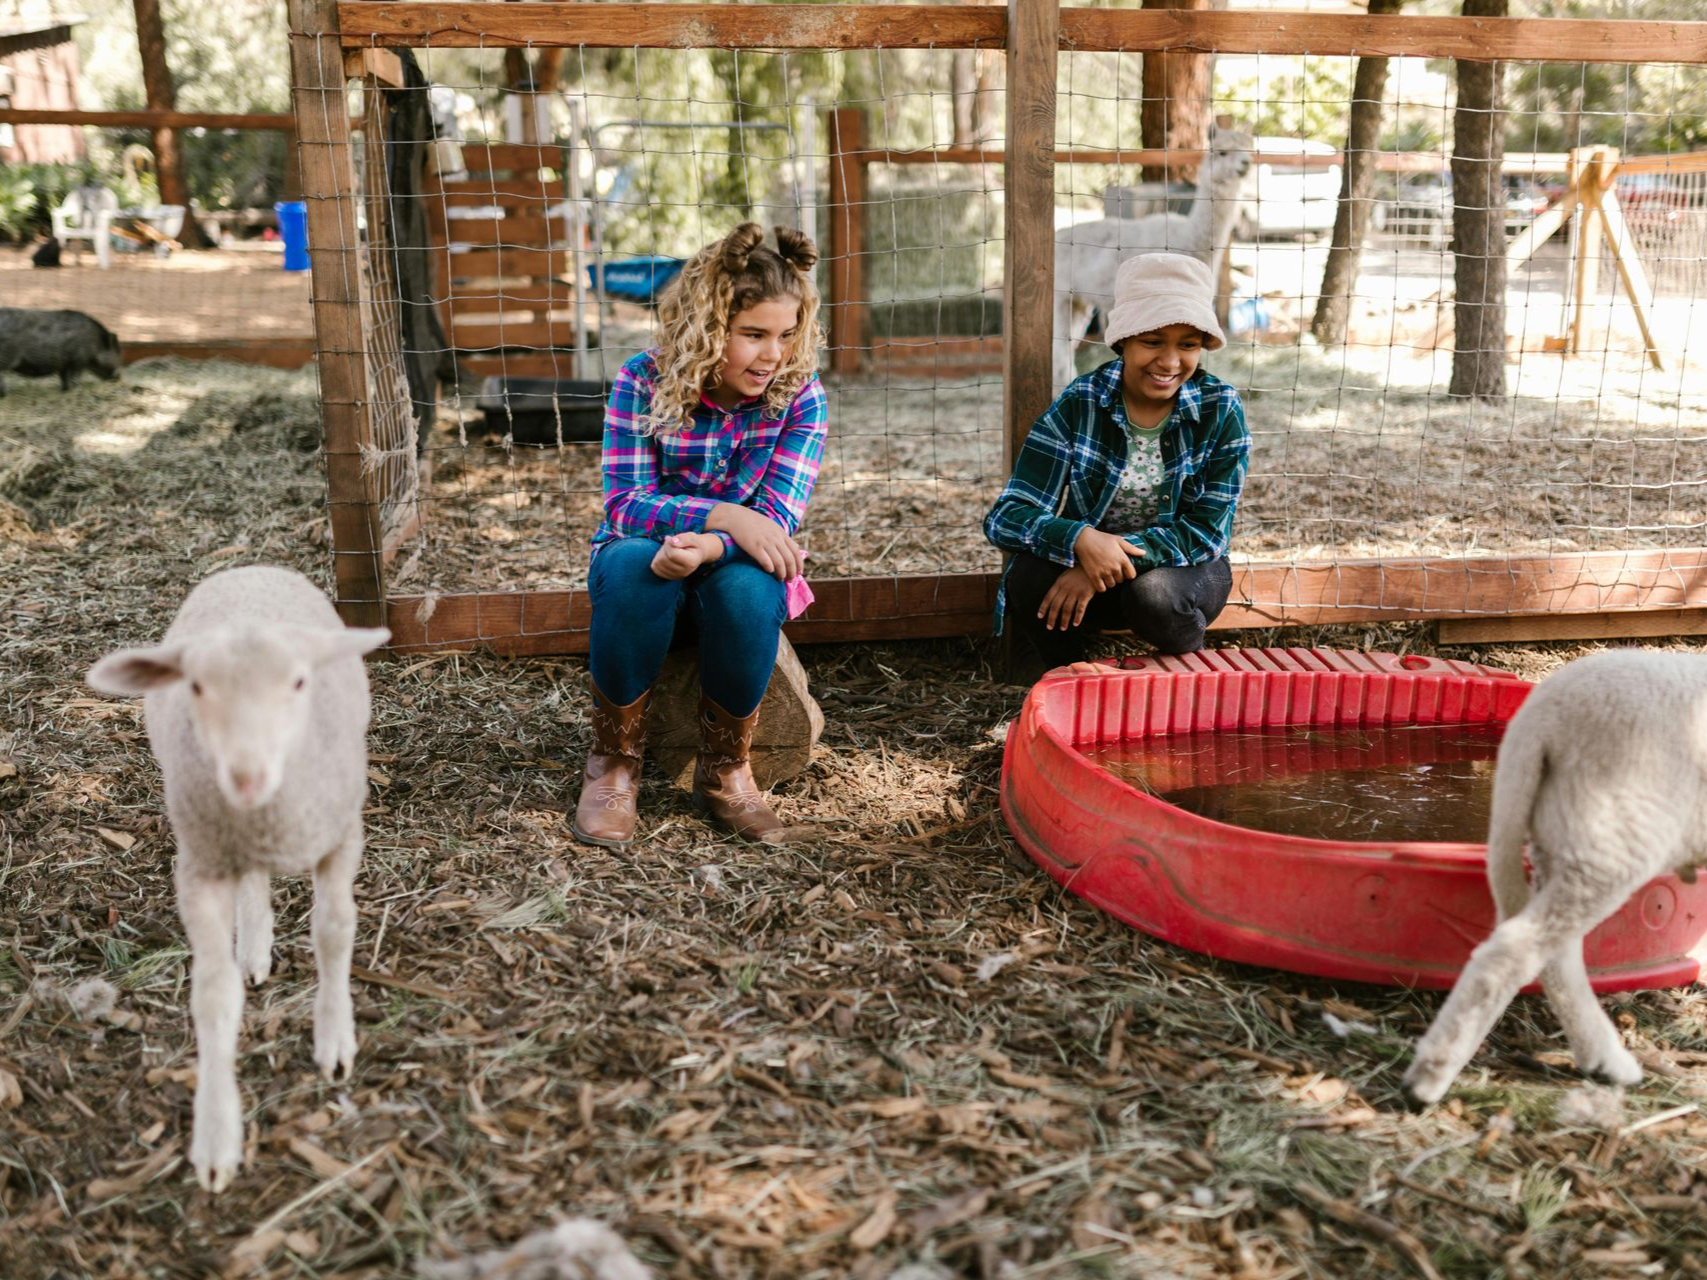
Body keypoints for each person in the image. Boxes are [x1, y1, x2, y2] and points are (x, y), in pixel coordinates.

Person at [573, 222, 826, 849]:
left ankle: (726, 771)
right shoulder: (643, 379)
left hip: (731, 562)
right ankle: (614, 763)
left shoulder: (800, 399)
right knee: (633, 567)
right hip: (647, 556)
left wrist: (717, 543)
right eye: (753, 335)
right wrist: (721, 516)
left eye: (787, 335)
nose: (773, 354)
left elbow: (777, 519)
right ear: (707, 327)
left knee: (752, 586)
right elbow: (626, 504)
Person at [984, 251, 1249, 677]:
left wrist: (1103, 564)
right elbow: (1006, 518)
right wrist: (1080, 540)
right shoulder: (1081, 402)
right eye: (1152, 342)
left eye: (1188, 344)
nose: (1169, 361)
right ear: (1123, 339)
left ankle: (1179, 674)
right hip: (1089, 563)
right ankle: (1069, 673)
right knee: (1028, 577)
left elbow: (1206, 531)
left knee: (1155, 596)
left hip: (1180, 569)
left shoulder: (1221, 408)